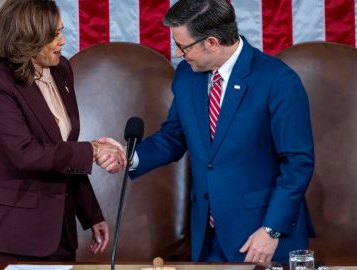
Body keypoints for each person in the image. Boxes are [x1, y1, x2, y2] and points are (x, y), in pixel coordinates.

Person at [103, 0, 315, 264]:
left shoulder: (278, 80)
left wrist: (271, 230)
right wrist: (130, 156)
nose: (179, 54)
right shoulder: (188, 75)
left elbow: (298, 162)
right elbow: (174, 135)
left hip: (262, 236)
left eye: (183, 46)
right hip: (207, 238)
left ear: (212, 42)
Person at [0, 0, 125, 263]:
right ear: (27, 38)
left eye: (61, 30)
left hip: (59, 232)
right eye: (54, 35)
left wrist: (91, 213)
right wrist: (94, 150)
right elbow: (26, 153)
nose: (63, 41)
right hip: (10, 232)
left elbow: (61, 147)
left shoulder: (61, 70)